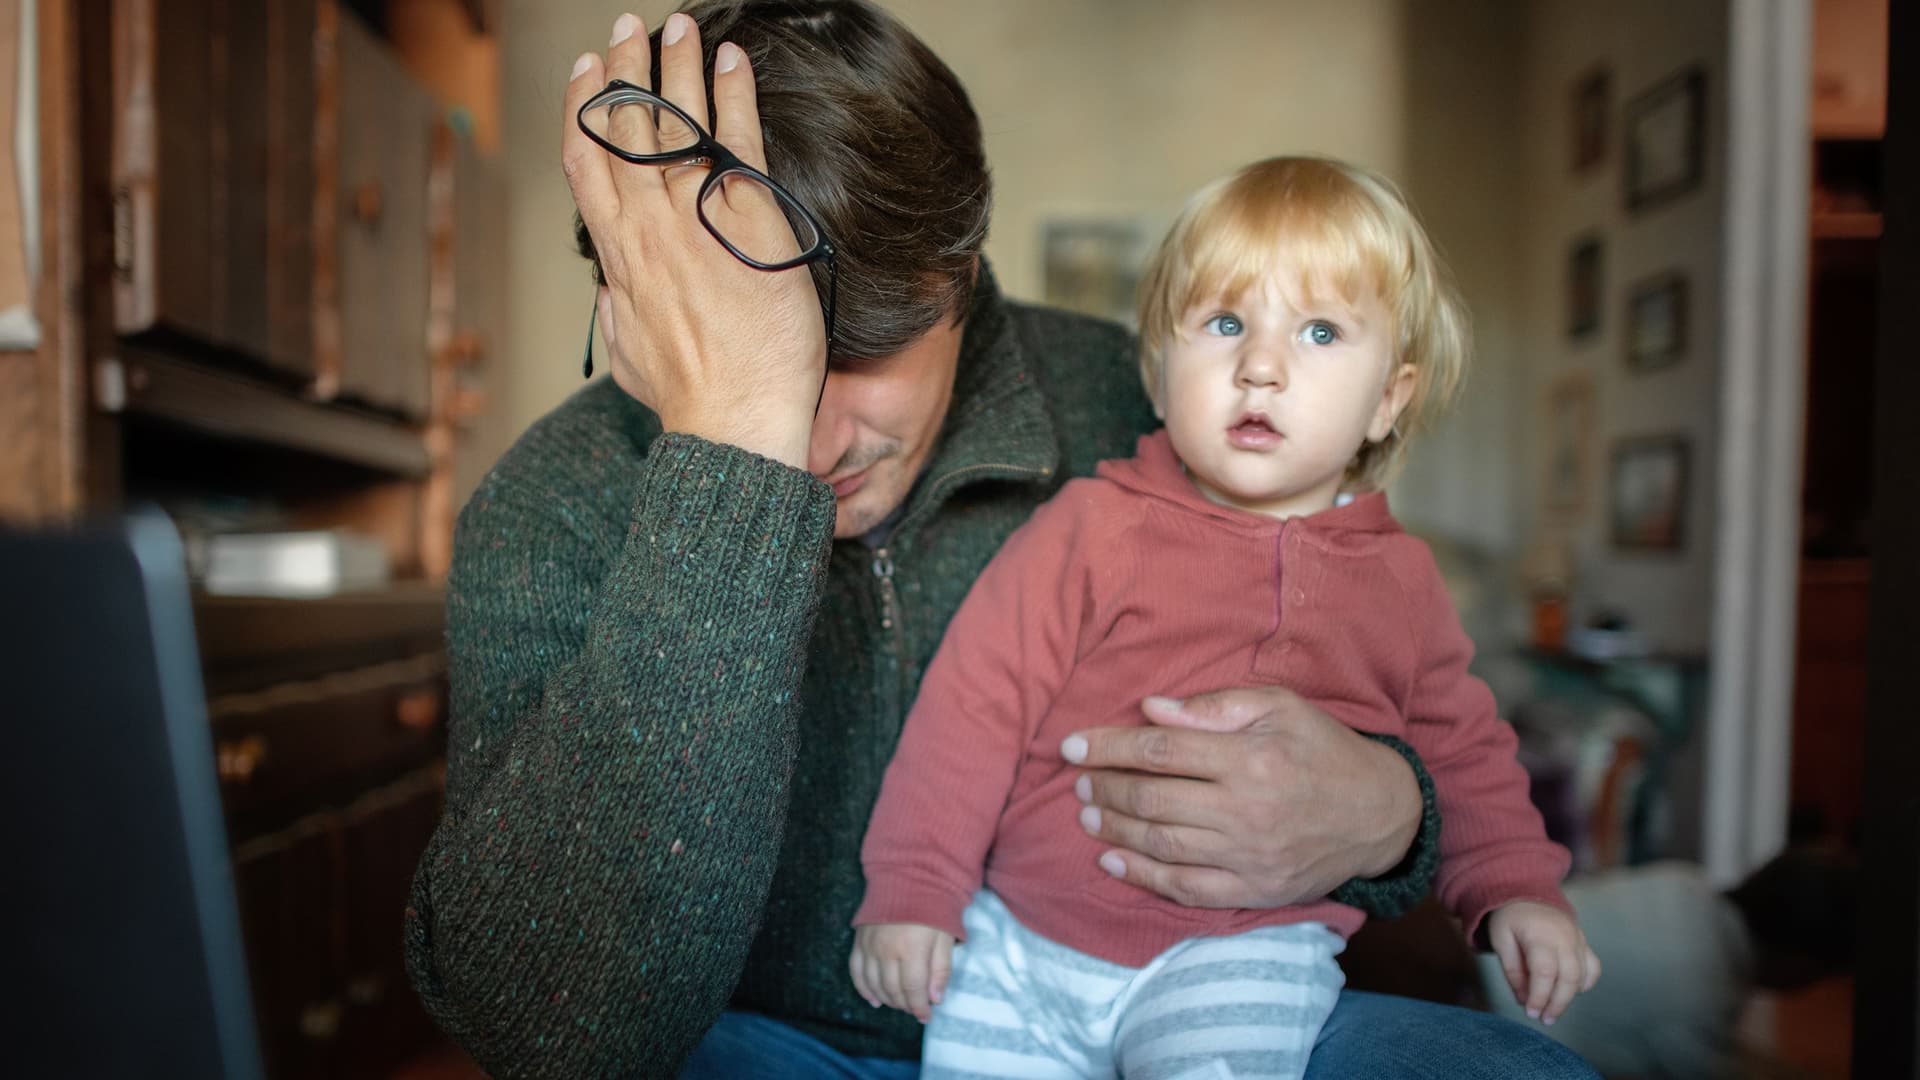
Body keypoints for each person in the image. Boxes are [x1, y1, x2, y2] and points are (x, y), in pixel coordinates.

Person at [400, 2, 1601, 1077]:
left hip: (1159, 1004)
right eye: (762, 368)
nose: (810, 440)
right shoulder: (549, 504)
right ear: (634, 301)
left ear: (961, 275)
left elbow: (1406, 693)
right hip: (761, 1045)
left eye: (856, 354)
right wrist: (727, 458)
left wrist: (1395, 816)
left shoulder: (1162, 413)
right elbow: (550, 1035)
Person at [848, 157, 1600, 1078]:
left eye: (1321, 331)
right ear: (1162, 378)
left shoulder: (1400, 583)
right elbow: (973, 704)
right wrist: (917, 890)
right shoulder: (1094, 525)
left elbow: (1464, 753)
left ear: (1388, 401)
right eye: (1226, 323)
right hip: (1017, 947)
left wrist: (1516, 889)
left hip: (1237, 956)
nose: (1262, 366)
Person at [1473, 851, 1857, 1078]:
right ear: (1800, 966)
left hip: (1477, 947)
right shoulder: (1708, 997)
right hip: (1489, 1024)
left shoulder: (1685, 880)